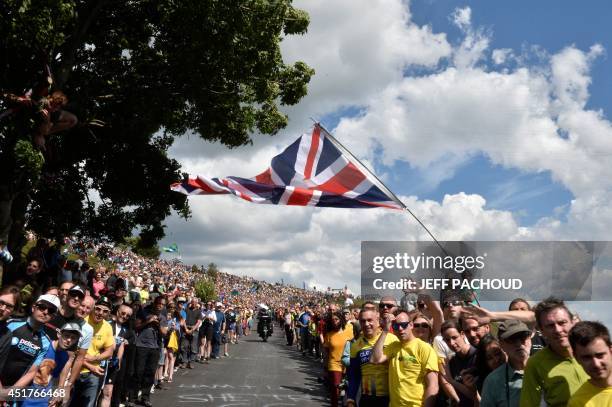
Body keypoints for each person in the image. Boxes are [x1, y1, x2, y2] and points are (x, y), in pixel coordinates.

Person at [520, 297, 589, 407]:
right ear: (541, 330)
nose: (558, 330)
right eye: (550, 326)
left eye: (562, 323)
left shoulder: (592, 352)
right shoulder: (535, 364)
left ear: (572, 323)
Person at [371, 309, 439, 406]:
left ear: (411, 325)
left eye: (403, 325)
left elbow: (433, 385)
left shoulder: (424, 348)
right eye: (395, 326)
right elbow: (375, 359)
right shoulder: (393, 346)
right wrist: (385, 330)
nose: (400, 329)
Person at [0, 294, 55, 387]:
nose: (45, 312)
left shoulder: (46, 341)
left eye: (51, 311)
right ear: (34, 308)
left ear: (53, 317)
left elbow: (31, 372)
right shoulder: (11, 323)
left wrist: (9, 394)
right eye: (42, 307)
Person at [346, 308, 398, 407]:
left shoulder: (392, 339)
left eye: (370, 320)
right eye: (363, 321)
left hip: (390, 397)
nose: (366, 324)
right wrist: (351, 398)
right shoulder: (355, 346)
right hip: (367, 398)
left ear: (378, 321)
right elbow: (354, 375)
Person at [70, 296, 115, 407]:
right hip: (73, 368)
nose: (100, 313)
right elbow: (72, 350)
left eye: (105, 311)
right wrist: (90, 365)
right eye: (98, 309)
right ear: (93, 308)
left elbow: (109, 352)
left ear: (108, 314)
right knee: (68, 403)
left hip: (93, 373)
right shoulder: (82, 320)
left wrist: (94, 359)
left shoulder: (107, 327)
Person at [481, 320, 531, 407]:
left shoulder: (546, 368)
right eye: (512, 339)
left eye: (523, 337)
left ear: (530, 339)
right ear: (501, 344)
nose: (519, 343)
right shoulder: (493, 381)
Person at [129, 295, 167, 407]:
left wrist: (158, 325)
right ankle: (132, 397)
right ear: (155, 303)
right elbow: (136, 327)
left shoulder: (163, 317)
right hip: (141, 346)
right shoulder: (144, 312)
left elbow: (164, 334)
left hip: (155, 347)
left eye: (163, 304)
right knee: (138, 372)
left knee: (150, 373)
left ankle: (145, 398)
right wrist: (148, 321)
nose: (160, 306)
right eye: (159, 303)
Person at [567, 321, 612, 406]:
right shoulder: (578, 402)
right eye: (587, 358)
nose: (596, 364)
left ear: (611, 351)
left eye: (600, 355)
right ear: (577, 358)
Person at [441, 319, 479, 407]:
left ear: (462, 334)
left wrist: (451, 381)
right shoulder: (451, 362)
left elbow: (474, 395)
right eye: (447, 340)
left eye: (454, 337)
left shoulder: (478, 356)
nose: (452, 343)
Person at [323, 310, 354, 407]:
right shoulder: (329, 335)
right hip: (334, 364)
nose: (334, 321)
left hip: (348, 364)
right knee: (335, 390)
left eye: (336, 319)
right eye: (332, 320)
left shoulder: (349, 330)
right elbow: (326, 352)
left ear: (341, 319)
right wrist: (325, 367)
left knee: (347, 391)